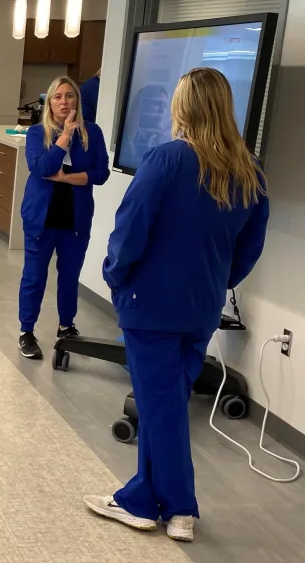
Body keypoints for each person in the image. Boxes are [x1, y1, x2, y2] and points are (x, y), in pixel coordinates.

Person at [85, 67, 269, 543]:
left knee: (161, 407)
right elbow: (249, 248)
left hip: (151, 306)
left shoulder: (168, 159)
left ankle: (181, 510)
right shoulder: (249, 170)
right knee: (162, 403)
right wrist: (216, 282)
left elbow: (130, 230)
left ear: (183, 107)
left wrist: (115, 275)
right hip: (201, 309)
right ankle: (143, 500)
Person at [17, 76, 110, 359]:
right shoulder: (36, 133)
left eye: (70, 96)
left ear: (77, 101)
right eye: (57, 97)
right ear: (49, 102)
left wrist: (69, 178)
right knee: (34, 277)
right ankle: (27, 331)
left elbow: (102, 173)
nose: (64, 102)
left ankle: (66, 325)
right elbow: (42, 167)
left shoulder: (93, 133)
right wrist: (65, 137)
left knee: (70, 277)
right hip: (41, 219)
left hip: (75, 220)